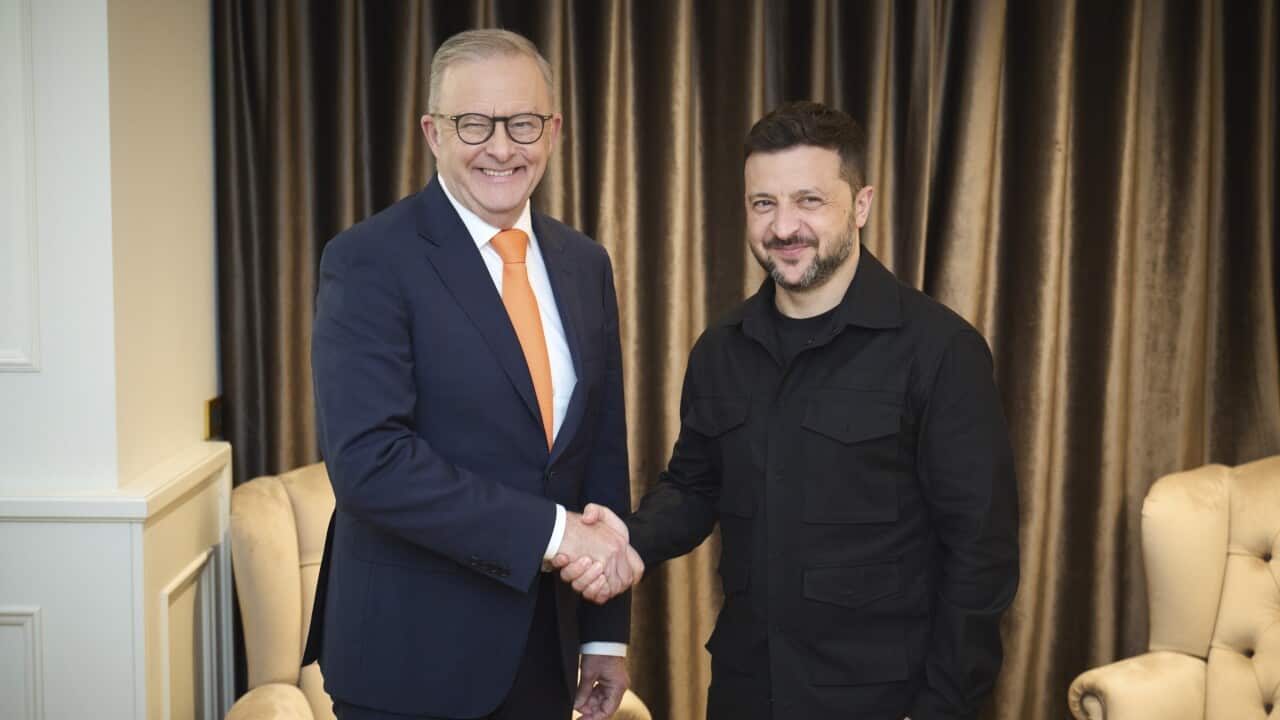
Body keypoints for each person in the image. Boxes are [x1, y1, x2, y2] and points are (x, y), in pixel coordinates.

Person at [559, 102, 1020, 719]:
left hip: (883, 700)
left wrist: (940, 708)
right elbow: (695, 488)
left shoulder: (941, 351)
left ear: (861, 205)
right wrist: (630, 543)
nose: (783, 227)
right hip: (746, 692)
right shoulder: (721, 348)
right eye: (764, 203)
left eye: (809, 201)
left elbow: (981, 556)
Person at [303, 29, 641, 720]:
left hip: (542, 657)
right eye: (473, 123)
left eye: (521, 123)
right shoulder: (369, 259)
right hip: (408, 661)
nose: (501, 147)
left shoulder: (585, 264)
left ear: (552, 131)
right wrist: (556, 534)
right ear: (432, 132)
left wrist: (603, 634)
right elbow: (370, 464)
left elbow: (601, 450)